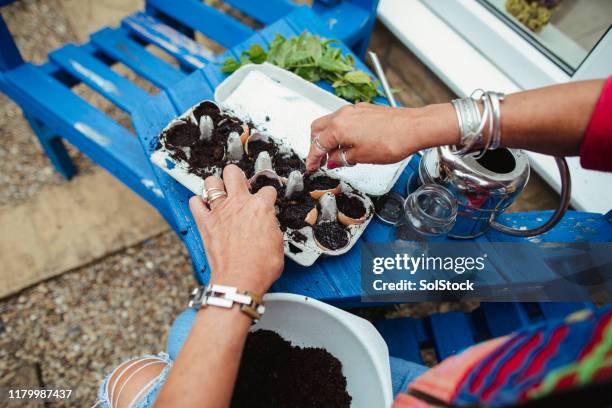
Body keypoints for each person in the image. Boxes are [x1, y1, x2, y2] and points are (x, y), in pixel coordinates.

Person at [95, 77, 611, 407]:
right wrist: (429, 122)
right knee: (183, 337)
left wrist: (233, 283)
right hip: (466, 379)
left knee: (147, 365)